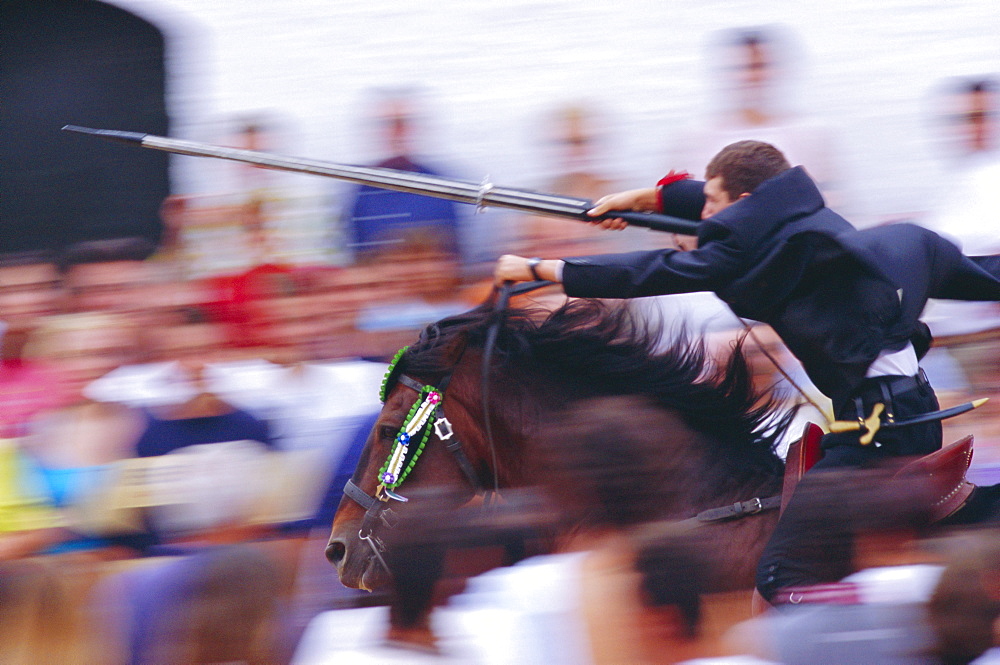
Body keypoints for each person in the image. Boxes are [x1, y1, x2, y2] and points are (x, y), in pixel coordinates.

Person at [493, 139, 1000, 601]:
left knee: (782, 577)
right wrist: (649, 199)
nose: (706, 214)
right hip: (903, 413)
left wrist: (546, 270)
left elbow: (654, 273)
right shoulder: (827, 232)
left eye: (712, 203)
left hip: (878, 434)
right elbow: (741, 209)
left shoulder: (762, 251)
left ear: (743, 203)